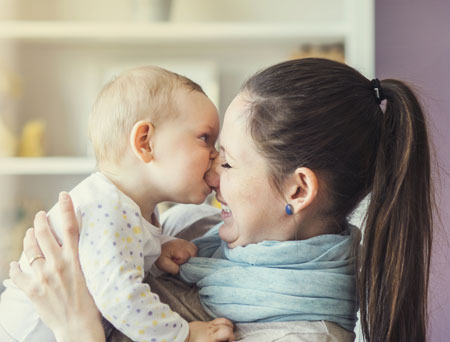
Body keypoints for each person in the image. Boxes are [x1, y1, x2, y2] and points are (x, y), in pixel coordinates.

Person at [8, 58, 433, 342]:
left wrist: (77, 328)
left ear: (298, 190)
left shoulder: (302, 334)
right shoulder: (186, 227)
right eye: (211, 150)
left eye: (226, 163)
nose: (210, 177)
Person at [0, 66, 235, 342]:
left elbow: (110, 259)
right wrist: (184, 335)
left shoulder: (129, 208)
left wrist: (155, 249)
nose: (216, 156)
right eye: (205, 138)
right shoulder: (107, 209)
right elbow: (121, 298)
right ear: (145, 142)